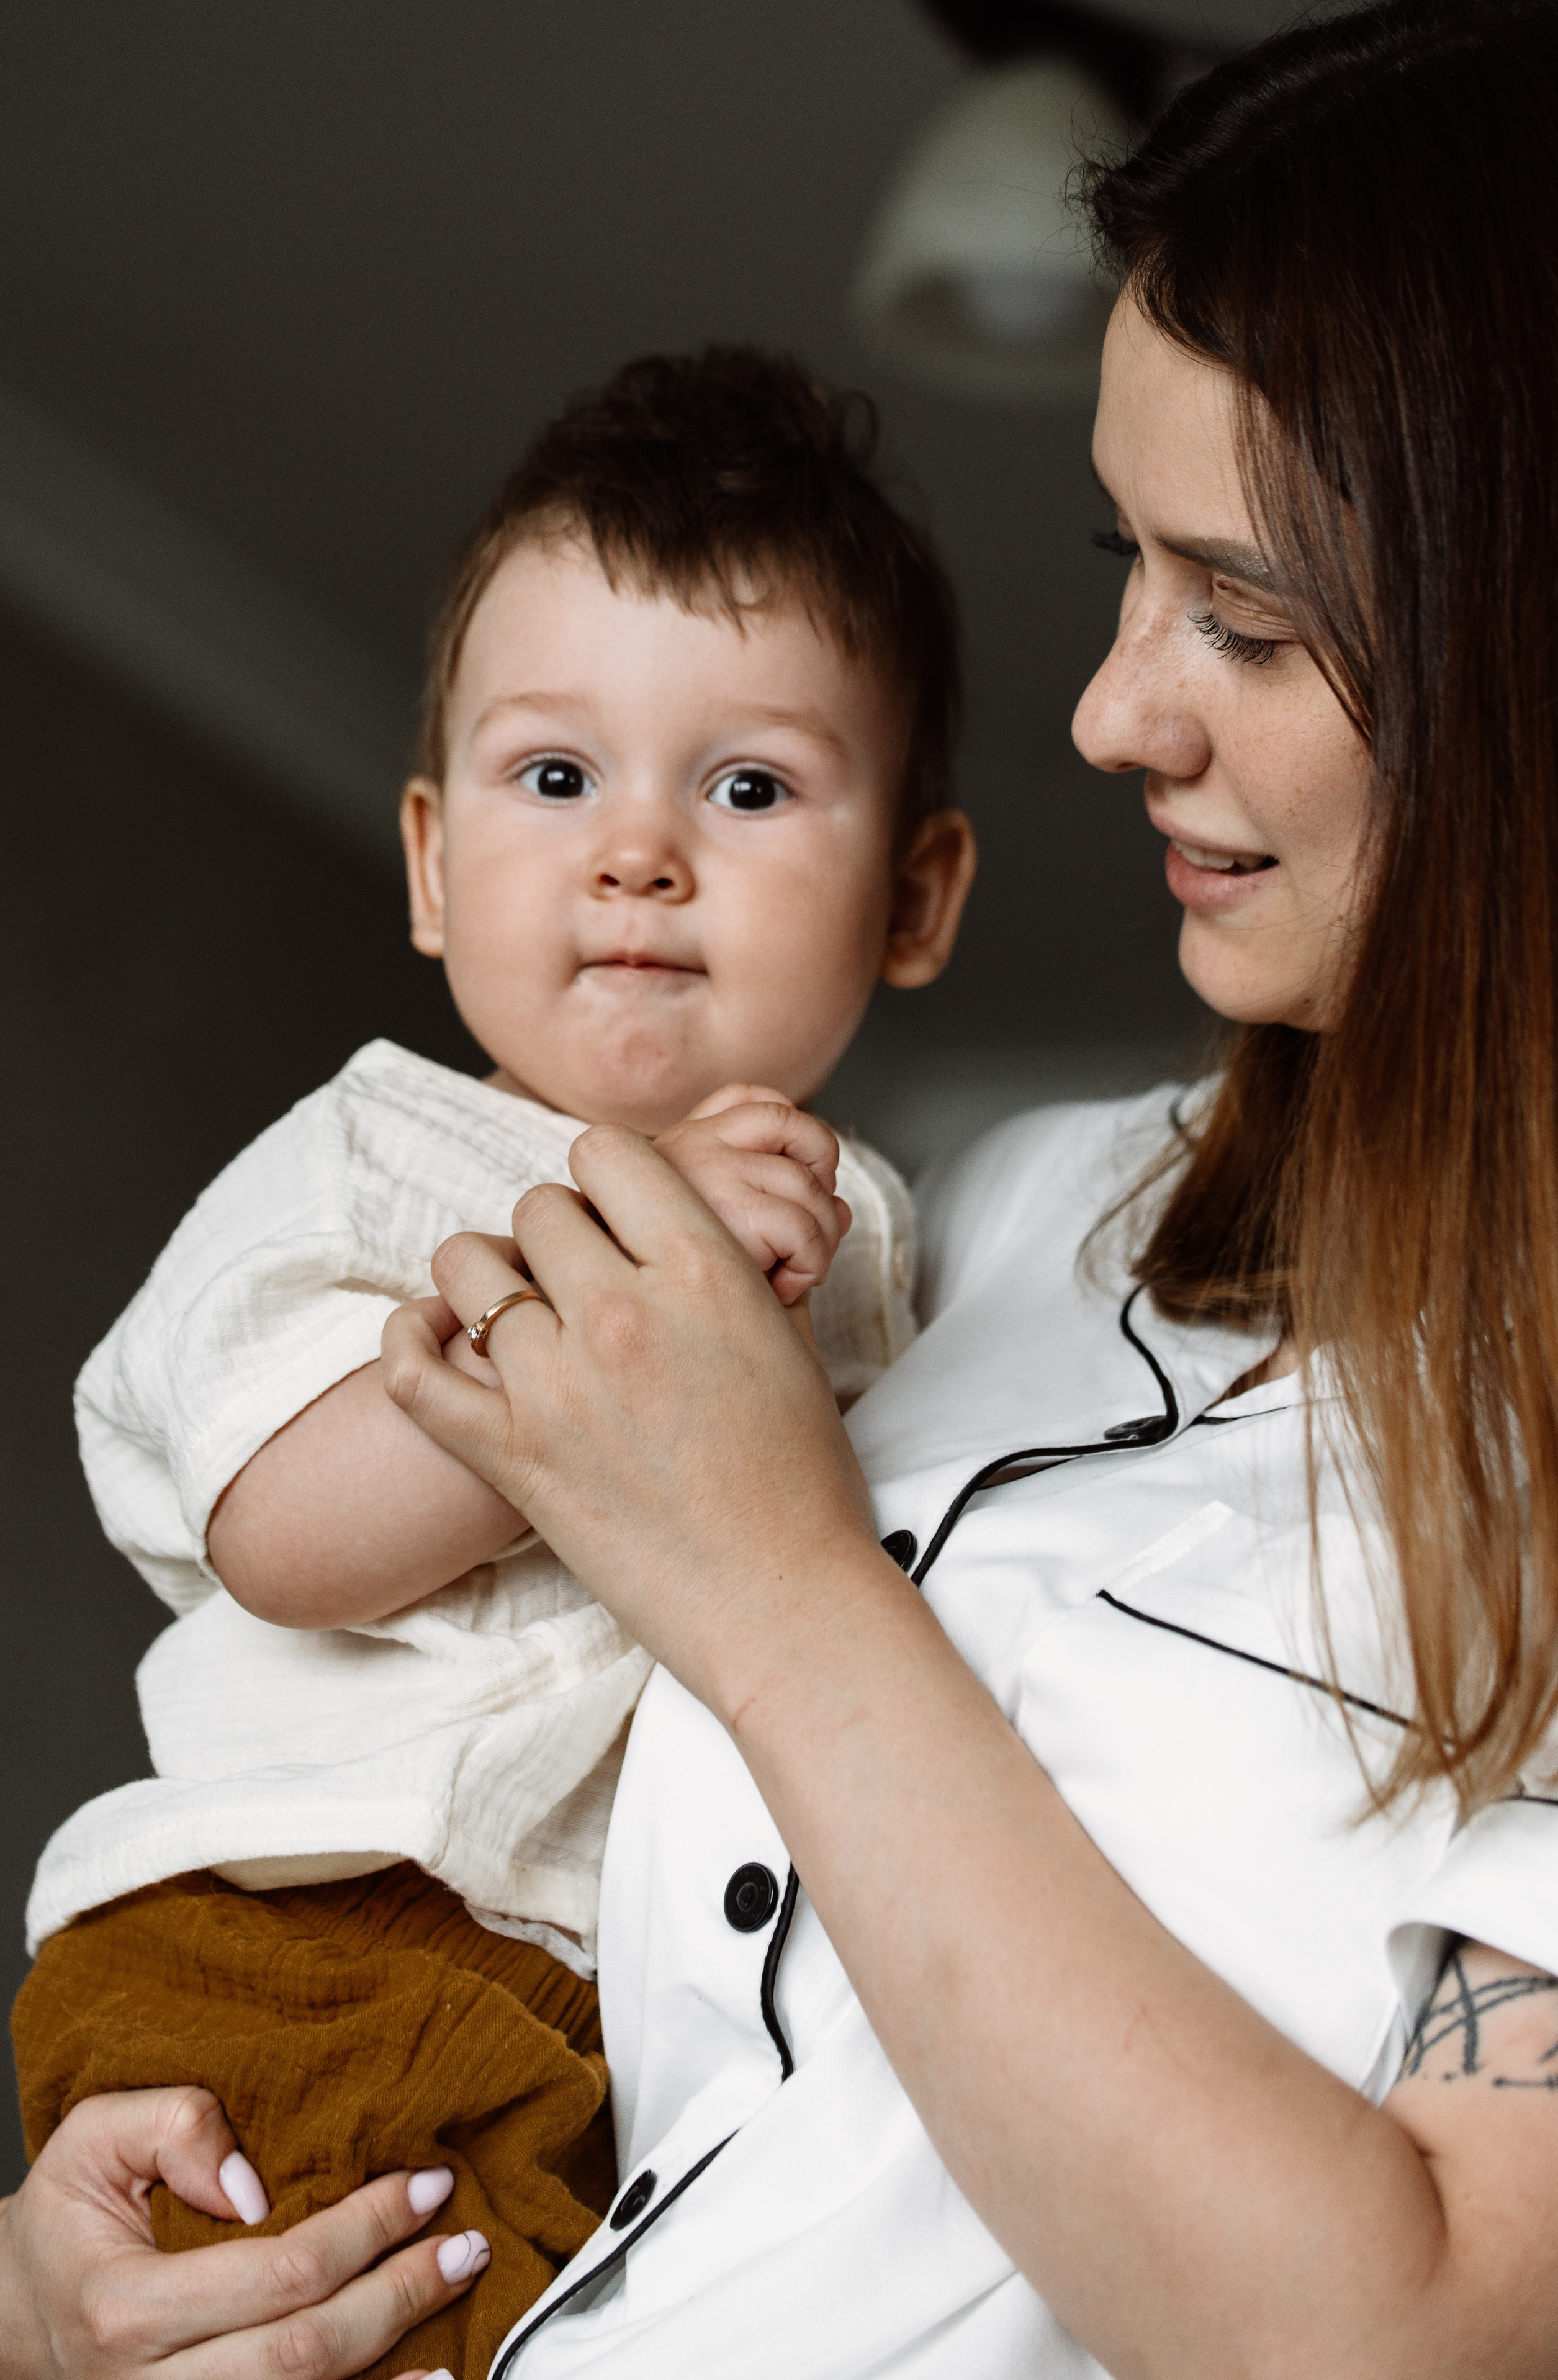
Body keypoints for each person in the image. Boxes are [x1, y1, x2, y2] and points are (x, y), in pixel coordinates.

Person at [9, 1, 1558, 2374]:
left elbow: (1419, 2339)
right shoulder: (1004, 1219)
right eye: (1120, 567)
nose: (1110, 711)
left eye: (1244, 618)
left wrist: (763, 1566)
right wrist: (97, 2299)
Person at [9, 347, 976, 2380]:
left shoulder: (904, 1254)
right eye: (559, 777)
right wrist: (647, 1269)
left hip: (606, 2017)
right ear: (438, 864)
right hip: (294, 1944)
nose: (640, 852)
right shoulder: (375, 1155)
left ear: (912, 895)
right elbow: (281, 1524)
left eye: (748, 786)